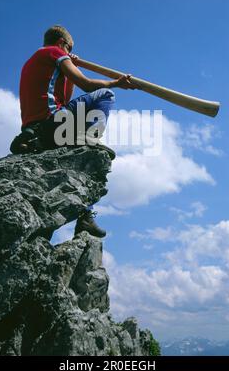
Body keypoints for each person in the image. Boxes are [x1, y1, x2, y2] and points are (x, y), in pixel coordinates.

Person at [10, 25, 137, 239]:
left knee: (85, 165)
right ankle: (89, 139)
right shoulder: (54, 52)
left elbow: (65, 100)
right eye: (68, 48)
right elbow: (88, 86)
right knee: (105, 94)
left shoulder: (37, 60)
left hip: (37, 130)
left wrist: (68, 70)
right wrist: (116, 83)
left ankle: (85, 216)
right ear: (62, 44)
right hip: (51, 123)